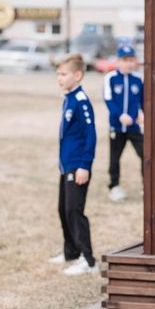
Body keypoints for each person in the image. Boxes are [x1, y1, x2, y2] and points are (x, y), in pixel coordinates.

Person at [50, 53, 97, 275]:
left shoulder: (80, 101)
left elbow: (90, 135)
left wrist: (84, 165)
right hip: (66, 165)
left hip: (78, 165)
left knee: (74, 210)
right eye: (58, 73)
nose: (59, 77)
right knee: (63, 209)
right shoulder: (68, 97)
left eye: (63, 73)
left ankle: (88, 260)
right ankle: (71, 252)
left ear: (77, 75)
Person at [103, 44, 144, 202]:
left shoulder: (138, 78)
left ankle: (145, 186)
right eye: (125, 60)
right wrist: (120, 115)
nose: (128, 63)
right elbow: (108, 100)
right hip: (117, 126)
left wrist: (142, 114)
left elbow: (143, 100)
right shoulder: (110, 78)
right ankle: (114, 187)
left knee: (145, 154)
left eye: (131, 60)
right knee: (115, 157)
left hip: (135, 127)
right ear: (119, 61)